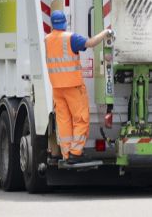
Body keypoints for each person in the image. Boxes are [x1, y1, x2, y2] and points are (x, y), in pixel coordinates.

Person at [45, 10, 113, 164]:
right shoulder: (70, 38)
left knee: (64, 121)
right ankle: (76, 152)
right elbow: (90, 43)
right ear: (64, 22)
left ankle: (67, 153)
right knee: (81, 118)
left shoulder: (47, 39)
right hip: (73, 87)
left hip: (57, 88)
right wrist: (105, 32)